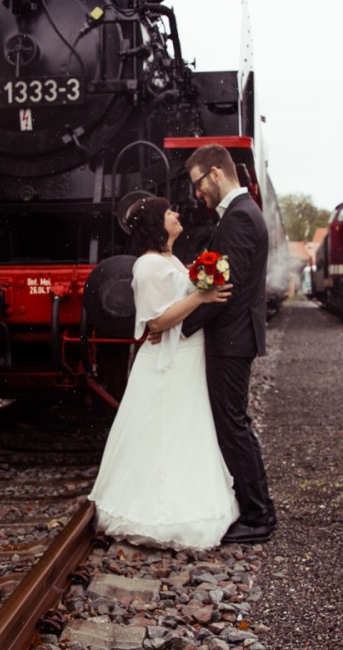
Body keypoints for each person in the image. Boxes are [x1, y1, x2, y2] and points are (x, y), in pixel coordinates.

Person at [88, 196, 240, 552]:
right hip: (169, 363)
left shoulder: (168, 260)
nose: (176, 214)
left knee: (186, 429)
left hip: (185, 356)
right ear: (158, 222)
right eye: (170, 212)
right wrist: (201, 297)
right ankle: (159, 514)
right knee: (164, 430)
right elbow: (155, 322)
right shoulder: (148, 266)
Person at [174, 144, 276, 544]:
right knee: (233, 423)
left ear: (215, 173)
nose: (197, 192)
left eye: (198, 182)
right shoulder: (240, 214)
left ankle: (258, 515)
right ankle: (254, 509)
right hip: (234, 336)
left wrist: (180, 326)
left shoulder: (239, 217)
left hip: (232, 338)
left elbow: (223, 291)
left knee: (232, 424)